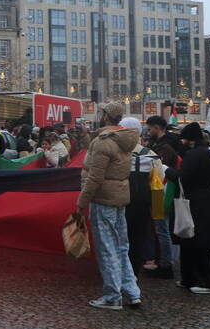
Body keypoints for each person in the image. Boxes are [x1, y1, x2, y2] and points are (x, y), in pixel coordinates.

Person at [76, 102, 141, 310]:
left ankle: (113, 296)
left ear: (105, 116)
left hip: (103, 199)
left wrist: (81, 202)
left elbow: (95, 177)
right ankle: (132, 291)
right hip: (120, 197)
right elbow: (99, 152)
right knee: (122, 246)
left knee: (107, 248)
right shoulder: (123, 138)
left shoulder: (105, 141)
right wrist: (85, 136)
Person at [174, 122, 210, 294]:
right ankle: (189, 279)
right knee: (192, 241)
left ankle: (208, 282)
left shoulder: (193, 155)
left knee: (197, 242)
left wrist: (166, 170)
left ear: (190, 140)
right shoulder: (207, 153)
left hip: (196, 202)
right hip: (205, 199)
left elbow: (183, 177)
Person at [143, 115, 180, 278]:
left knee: (162, 230)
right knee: (160, 229)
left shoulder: (165, 148)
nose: (148, 132)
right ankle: (163, 262)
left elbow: (156, 169)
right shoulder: (161, 145)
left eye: (150, 129)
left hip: (161, 192)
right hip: (160, 191)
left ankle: (166, 266)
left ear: (157, 128)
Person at [124, 120, 159, 277]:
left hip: (121, 201)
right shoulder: (150, 154)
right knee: (137, 240)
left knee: (119, 240)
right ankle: (134, 275)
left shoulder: (117, 152)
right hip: (143, 203)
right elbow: (159, 179)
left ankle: (121, 274)